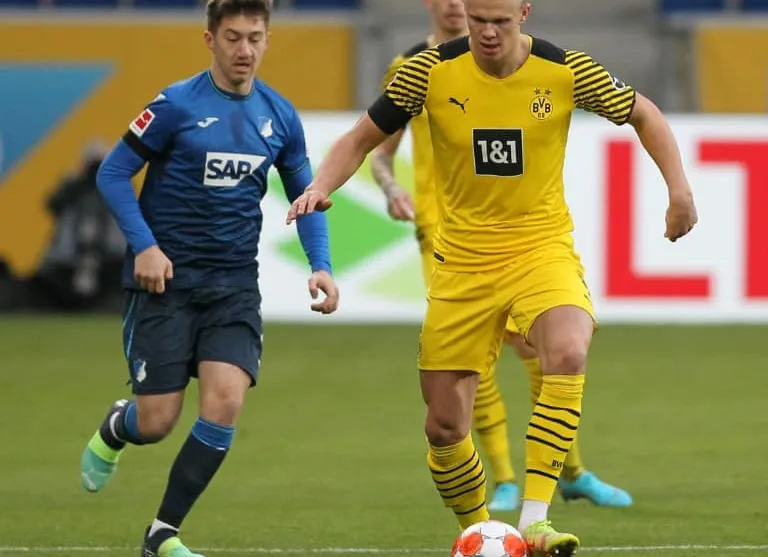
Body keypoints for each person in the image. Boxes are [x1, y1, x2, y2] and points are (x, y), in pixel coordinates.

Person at [286, 0, 697, 553]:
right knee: (443, 427)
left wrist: (679, 189)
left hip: (540, 249)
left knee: (568, 350)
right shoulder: (427, 71)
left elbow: (645, 114)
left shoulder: (565, 70)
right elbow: (361, 138)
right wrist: (319, 186)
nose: (486, 32)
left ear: (523, 12)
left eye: (499, 21)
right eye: (478, 20)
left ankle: (535, 520)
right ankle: (481, 533)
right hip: (462, 262)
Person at [79, 2, 339, 556]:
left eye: (255, 38)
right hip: (165, 285)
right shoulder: (175, 105)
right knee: (157, 421)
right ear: (210, 40)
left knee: (225, 402)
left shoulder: (280, 116)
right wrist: (145, 246)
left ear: (268, 40)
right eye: (233, 37)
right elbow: (113, 172)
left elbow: (308, 197)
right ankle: (118, 425)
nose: (245, 50)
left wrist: (321, 264)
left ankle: (162, 534)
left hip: (234, 287)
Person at [370, 0, 633, 513]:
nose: (459, 8)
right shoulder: (413, 68)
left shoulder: (535, 68)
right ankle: (505, 477)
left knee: (541, 349)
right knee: (471, 369)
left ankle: (567, 471)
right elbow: (381, 150)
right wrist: (390, 188)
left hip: (519, 235)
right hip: (446, 232)